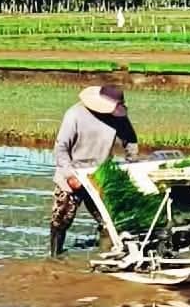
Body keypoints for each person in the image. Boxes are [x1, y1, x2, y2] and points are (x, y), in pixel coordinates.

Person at [50, 84, 138, 257]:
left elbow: (130, 141)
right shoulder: (75, 114)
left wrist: (132, 165)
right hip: (72, 174)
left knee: (109, 220)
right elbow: (61, 148)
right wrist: (69, 175)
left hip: (99, 175)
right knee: (61, 219)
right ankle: (55, 256)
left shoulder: (117, 117)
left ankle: (108, 255)